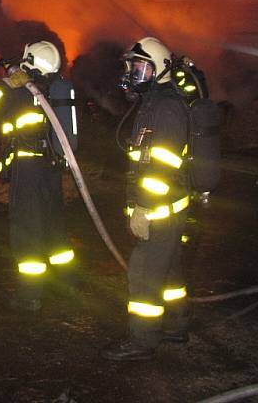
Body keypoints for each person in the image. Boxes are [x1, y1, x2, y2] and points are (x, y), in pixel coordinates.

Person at [102, 36, 191, 361]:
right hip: (167, 207)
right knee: (168, 270)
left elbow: (162, 166)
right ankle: (177, 326)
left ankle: (142, 340)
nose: (132, 73)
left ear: (159, 70)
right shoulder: (154, 103)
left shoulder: (166, 107)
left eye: (139, 67)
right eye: (132, 66)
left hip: (159, 207)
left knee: (143, 272)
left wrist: (143, 207)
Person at [0, 40, 78, 312]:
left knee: (26, 230)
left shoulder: (19, 90)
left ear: (30, 60)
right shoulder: (52, 89)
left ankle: (29, 295)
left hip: (28, 170)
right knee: (54, 225)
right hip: (51, 168)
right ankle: (68, 282)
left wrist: (3, 83)